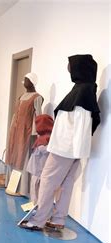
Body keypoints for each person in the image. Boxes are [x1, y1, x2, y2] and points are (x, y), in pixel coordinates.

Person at [20, 54, 101, 231]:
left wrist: (75, 150)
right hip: (72, 149)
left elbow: (82, 123)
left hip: (65, 148)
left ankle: (39, 220)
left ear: (79, 68)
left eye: (71, 65)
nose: (68, 68)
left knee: (47, 180)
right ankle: (58, 219)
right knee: (66, 184)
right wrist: (79, 151)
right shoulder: (83, 89)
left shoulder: (82, 91)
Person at [5, 73, 44, 197]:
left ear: (32, 81)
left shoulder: (37, 98)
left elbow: (39, 116)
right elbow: (16, 114)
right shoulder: (22, 96)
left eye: (26, 80)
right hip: (16, 131)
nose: (24, 82)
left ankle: (22, 188)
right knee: (14, 154)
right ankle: (12, 185)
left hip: (26, 132)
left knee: (23, 156)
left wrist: (37, 135)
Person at [26, 114, 54, 205]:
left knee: (36, 188)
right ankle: (36, 206)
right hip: (39, 169)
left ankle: (36, 206)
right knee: (37, 188)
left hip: (38, 169)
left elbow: (43, 150)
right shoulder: (46, 138)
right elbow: (45, 150)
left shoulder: (43, 138)